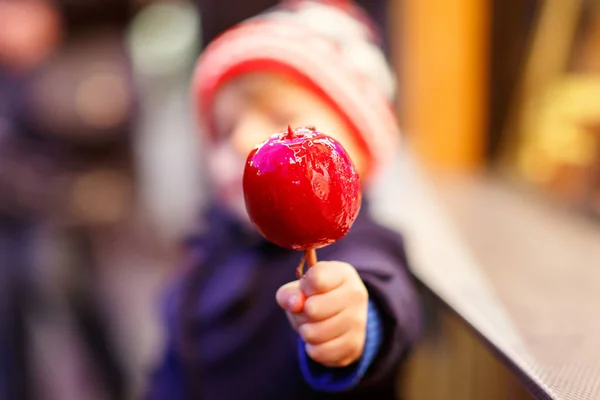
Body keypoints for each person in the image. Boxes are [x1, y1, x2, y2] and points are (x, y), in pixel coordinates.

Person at [145, 1, 422, 399]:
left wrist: (353, 323)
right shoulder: (209, 246)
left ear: (356, 154)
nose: (242, 139)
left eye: (280, 117)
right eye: (224, 129)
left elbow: (387, 291)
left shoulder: (358, 246)